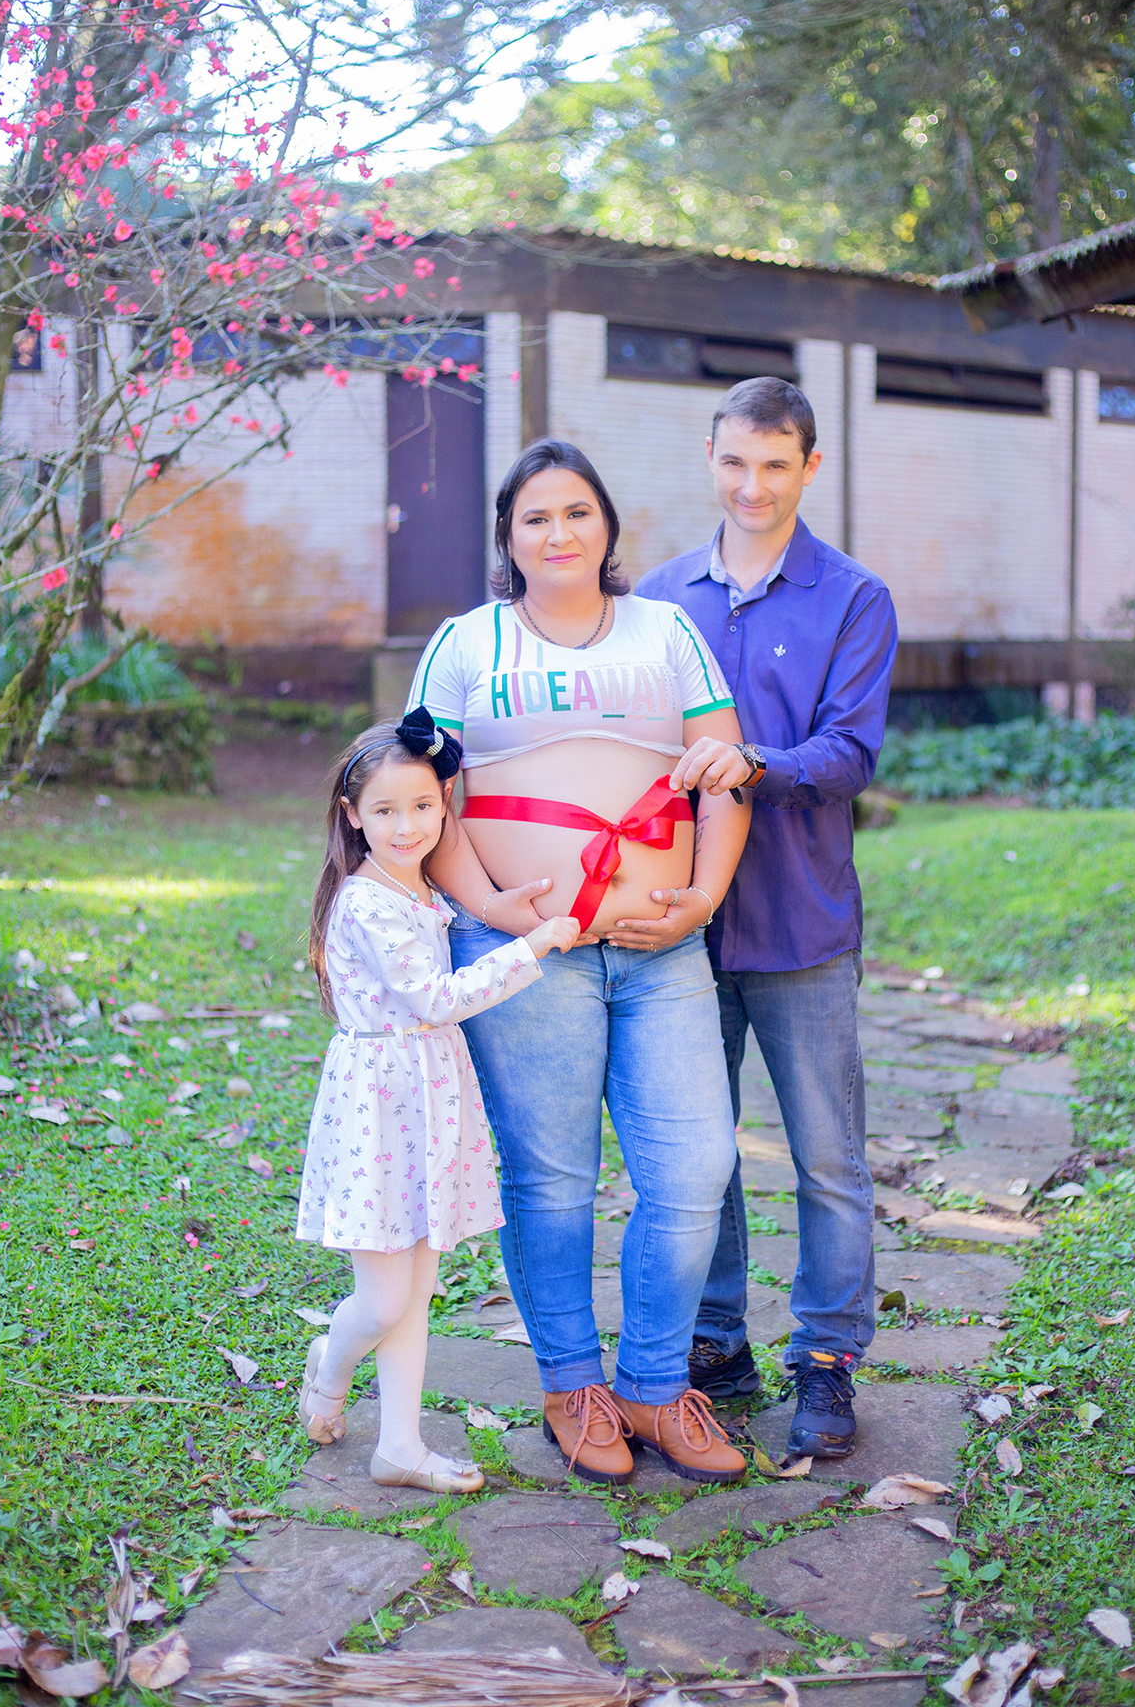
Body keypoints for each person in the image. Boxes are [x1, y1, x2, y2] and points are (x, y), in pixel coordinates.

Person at [406, 437, 751, 1487]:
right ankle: (572, 1386)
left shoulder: (668, 631)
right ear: (509, 540)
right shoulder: (467, 643)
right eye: (535, 519)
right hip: (522, 958)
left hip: (661, 951)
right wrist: (488, 905)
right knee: (553, 1181)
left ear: (607, 528)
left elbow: (723, 776)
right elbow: (426, 797)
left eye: (577, 514)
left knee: (694, 1172)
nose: (559, 533)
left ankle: (651, 1387)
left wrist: (704, 895)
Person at [633, 376, 898, 1461]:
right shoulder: (655, 598)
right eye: (735, 462)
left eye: (776, 465)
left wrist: (753, 763)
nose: (753, 485)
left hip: (801, 928)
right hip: (677, 928)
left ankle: (827, 1363)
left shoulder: (852, 598)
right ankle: (716, 1345)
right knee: (704, 1154)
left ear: (810, 468)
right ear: (710, 457)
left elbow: (849, 754)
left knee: (827, 1156)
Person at [294, 705, 580, 1493]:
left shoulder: (417, 891)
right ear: (352, 818)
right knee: (384, 1297)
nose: (407, 824)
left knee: (416, 1288)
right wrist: (534, 944)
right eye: (385, 810)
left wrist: (503, 907)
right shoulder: (365, 899)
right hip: (379, 1104)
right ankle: (329, 1362)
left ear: (442, 806)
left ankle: (400, 1447)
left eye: (423, 805)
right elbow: (432, 999)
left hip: (427, 1096)